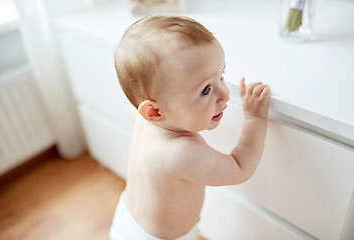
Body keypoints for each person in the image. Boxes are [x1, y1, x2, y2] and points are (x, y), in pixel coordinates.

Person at [110, 15, 270, 240]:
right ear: (155, 112)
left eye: (221, 76)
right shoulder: (182, 152)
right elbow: (240, 167)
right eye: (205, 90)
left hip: (127, 219)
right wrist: (255, 118)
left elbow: (132, 110)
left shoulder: (145, 120)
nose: (225, 94)